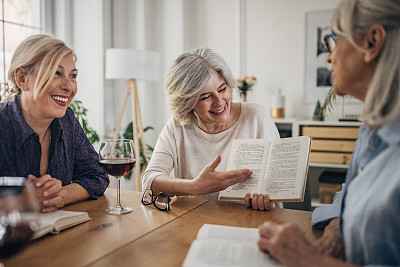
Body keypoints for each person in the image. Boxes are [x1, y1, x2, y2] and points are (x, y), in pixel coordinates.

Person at [258, 0, 400, 265]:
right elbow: (350, 191)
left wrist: (310, 259)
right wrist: (338, 228)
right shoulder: (373, 129)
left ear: (372, 42)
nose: (329, 56)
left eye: (334, 40)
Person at [142, 47, 281, 210]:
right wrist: (194, 187)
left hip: (250, 221)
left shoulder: (256, 117)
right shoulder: (177, 126)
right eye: (206, 96)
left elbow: (277, 185)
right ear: (187, 102)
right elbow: (149, 180)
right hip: (196, 222)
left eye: (222, 89)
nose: (219, 101)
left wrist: (267, 199)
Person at [0, 34, 109, 213]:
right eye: (56, 73)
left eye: (72, 76)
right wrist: (23, 200)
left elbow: (97, 175)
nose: (69, 86)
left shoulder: (66, 121)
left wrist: (59, 196)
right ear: (22, 79)